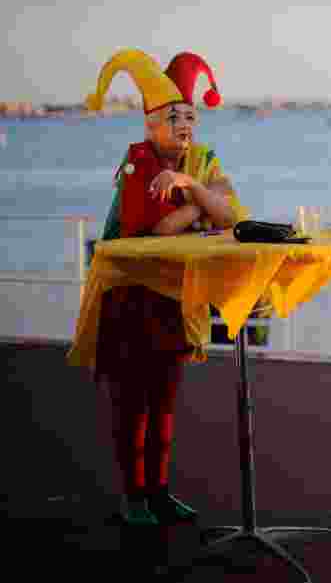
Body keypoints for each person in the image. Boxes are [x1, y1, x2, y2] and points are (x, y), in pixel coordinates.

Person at [84, 49, 245, 525]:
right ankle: (134, 496)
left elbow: (233, 214)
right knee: (132, 403)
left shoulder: (203, 159)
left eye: (191, 115)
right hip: (132, 296)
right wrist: (202, 206)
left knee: (167, 401)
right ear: (151, 123)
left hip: (175, 295)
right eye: (173, 116)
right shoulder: (137, 161)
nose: (185, 124)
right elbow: (157, 230)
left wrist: (193, 192)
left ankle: (159, 491)